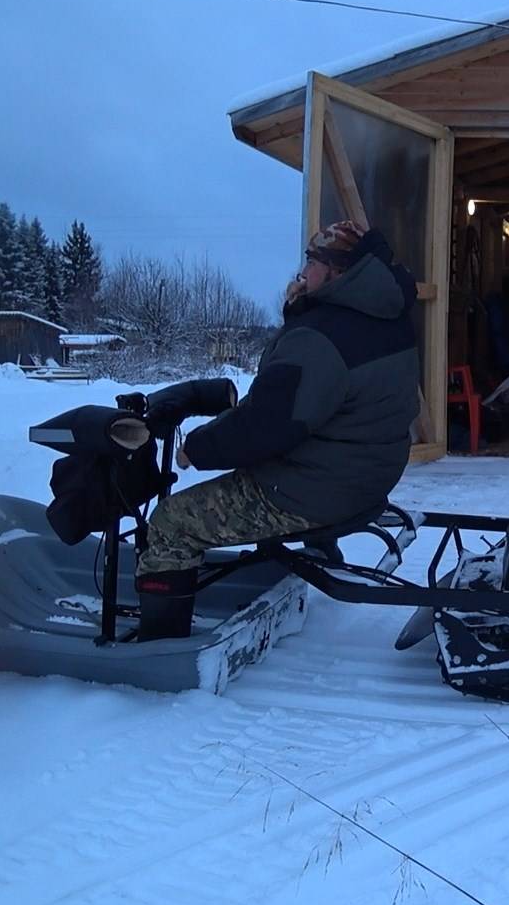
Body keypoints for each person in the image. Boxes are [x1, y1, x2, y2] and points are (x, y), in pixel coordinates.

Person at [132, 219, 420, 640]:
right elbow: (309, 404)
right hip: (366, 471)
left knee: (171, 521)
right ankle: (315, 556)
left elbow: (267, 426)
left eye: (312, 260)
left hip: (318, 488)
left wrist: (197, 447)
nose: (303, 270)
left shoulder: (323, 334)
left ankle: (159, 642)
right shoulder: (385, 315)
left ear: (339, 272)